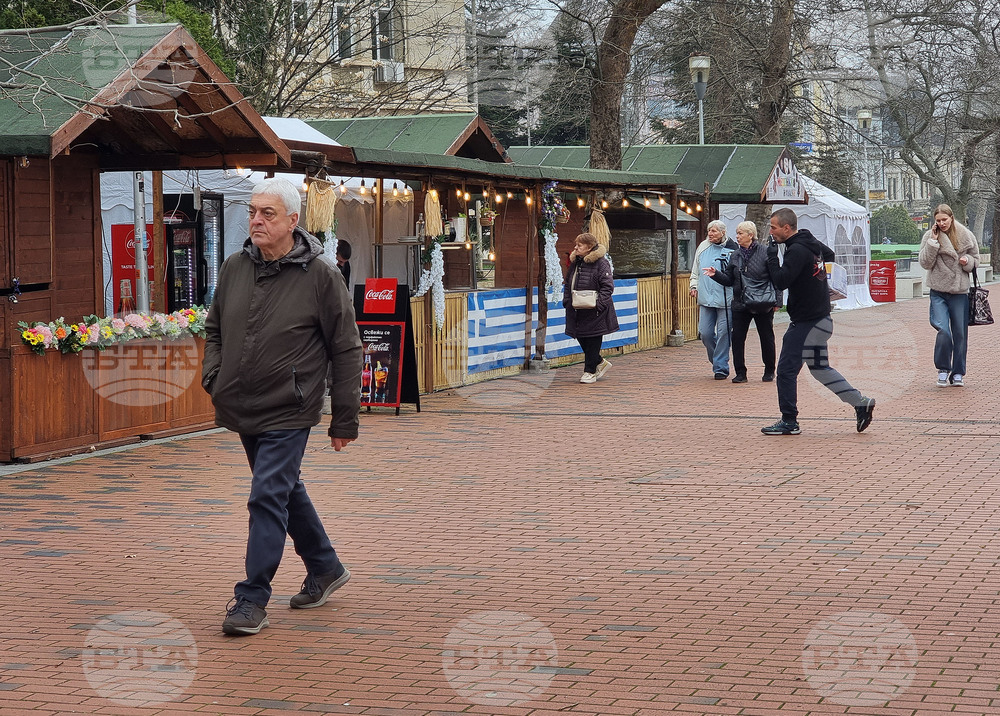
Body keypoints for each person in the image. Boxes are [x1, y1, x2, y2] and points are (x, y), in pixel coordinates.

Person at [203, 177, 363, 636]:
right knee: (284, 489)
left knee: (266, 496)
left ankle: (252, 597)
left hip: (290, 407)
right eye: (253, 211)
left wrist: (345, 418)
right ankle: (325, 567)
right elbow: (214, 329)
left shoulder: (321, 275)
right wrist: (214, 377)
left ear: (293, 221)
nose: (256, 220)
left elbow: (347, 348)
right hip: (241, 402)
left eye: (267, 213)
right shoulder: (235, 267)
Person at [762, 208, 875, 435]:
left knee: (785, 370)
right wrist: (817, 281)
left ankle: (789, 421)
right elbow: (829, 255)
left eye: (773, 227)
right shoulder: (810, 243)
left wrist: (772, 258)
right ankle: (860, 402)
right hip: (821, 318)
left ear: (786, 228)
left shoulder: (796, 251)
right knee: (820, 368)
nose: (771, 232)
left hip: (806, 322)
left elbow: (781, 280)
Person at [703, 221, 777, 383]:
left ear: (750, 235)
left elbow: (776, 278)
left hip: (762, 302)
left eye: (740, 233)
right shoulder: (735, 255)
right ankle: (741, 373)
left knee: (766, 337)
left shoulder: (765, 252)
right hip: (740, 302)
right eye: (736, 233)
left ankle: (769, 370)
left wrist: (777, 301)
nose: (737, 236)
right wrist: (716, 274)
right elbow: (729, 280)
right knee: (737, 338)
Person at [918, 204, 979, 387]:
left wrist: (967, 261)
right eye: (938, 220)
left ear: (951, 218)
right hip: (938, 291)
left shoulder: (966, 235)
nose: (942, 223)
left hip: (959, 291)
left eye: (944, 219)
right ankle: (943, 369)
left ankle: (958, 372)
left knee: (960, 333)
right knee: (943, 330)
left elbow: (975, 260)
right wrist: (933, 243)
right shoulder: (930, 236)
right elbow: (925, 263)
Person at [564, 232, 618, 384]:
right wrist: (567, 301)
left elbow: (608, 286)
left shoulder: (601, 263)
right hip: (577, 308)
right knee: (581, 336)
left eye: (579, 245)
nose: (575, 247)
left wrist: (599, 304)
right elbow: (568, 283)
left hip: (596, 310)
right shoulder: (576, 263)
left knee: (593, 338)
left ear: (589, 247)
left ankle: (590, 371)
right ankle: (599, 362)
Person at [689, 220, 738, 379]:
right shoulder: (703, 247)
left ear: (723, 232)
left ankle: (720, 367)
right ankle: (716, 360)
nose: (710, 234)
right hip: (706, 297)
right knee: (705, 333)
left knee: (724, 333)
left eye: (714, 231)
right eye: (709, 230)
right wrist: (694, 285)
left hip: (726, 299)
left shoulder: (733, 248)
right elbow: (695, 269)